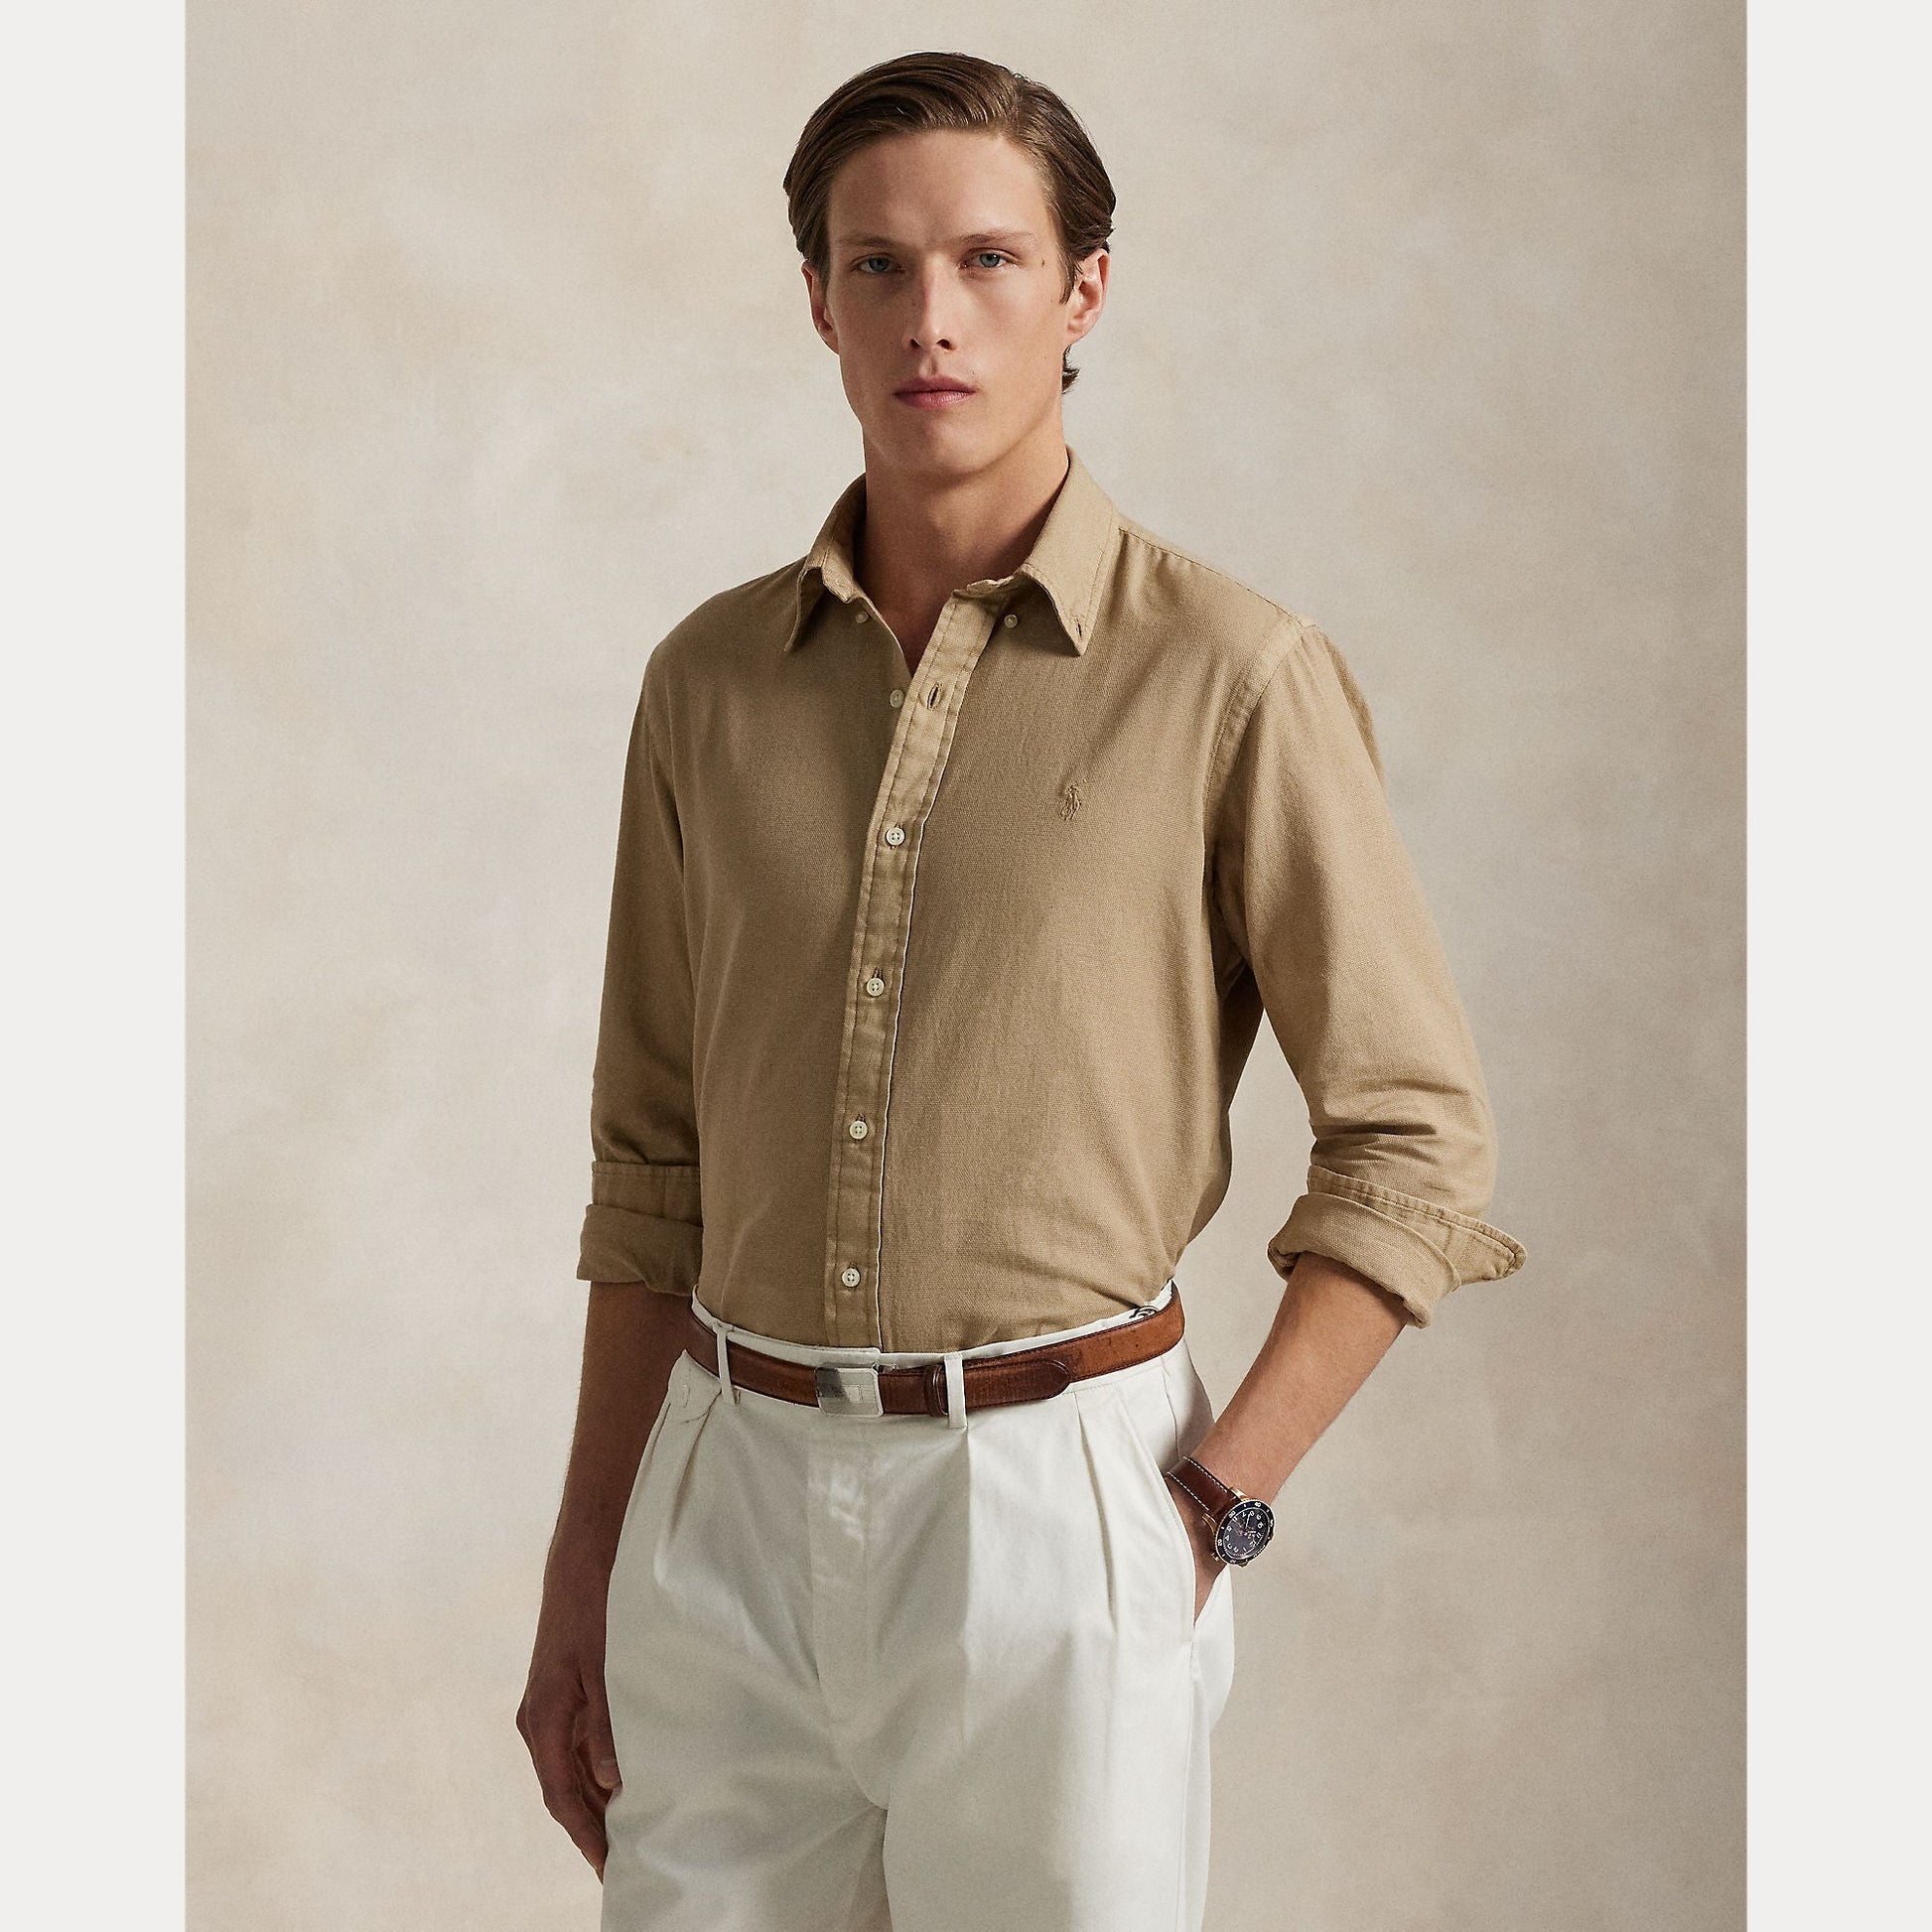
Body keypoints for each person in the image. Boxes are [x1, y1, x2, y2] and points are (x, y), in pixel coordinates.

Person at [517, 50, 1526, 1932]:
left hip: (1060, 1500)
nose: (931, 316)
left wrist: (1210, 1504)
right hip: (720, 1499)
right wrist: (585, 1571)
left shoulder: (1229, 673)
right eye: (878, 264)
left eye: (987, 259)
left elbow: (1412, 1138)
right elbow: (650, 1167)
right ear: (817, 298)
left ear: (1083, 290)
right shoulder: (708, 682)